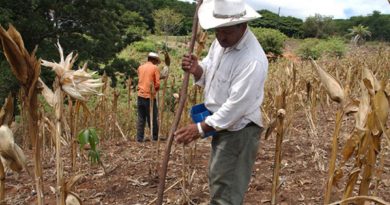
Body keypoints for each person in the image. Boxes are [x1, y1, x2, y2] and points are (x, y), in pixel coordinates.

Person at [174, 0, 268, 204]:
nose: (220, 37)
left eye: (226, 32)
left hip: (239, 130)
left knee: (226, 188)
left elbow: (236, 107)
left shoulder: (252, 60)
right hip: (222, 124)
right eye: (217, 32)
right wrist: (196, 69)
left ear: (242, 26)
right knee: (219, 178)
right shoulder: (221, 42)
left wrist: (199, 129)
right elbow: (209, 69)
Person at [136, 52, 161, 142]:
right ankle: (154, 137)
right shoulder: (155, 68)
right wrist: (156, 90)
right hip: (149, 96)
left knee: (141, 117)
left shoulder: (140, 68)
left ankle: (139, 138)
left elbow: (142, 79)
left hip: (140, 95)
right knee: (153, 117)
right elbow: (157, 84)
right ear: (154, 60)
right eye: (156, 61)